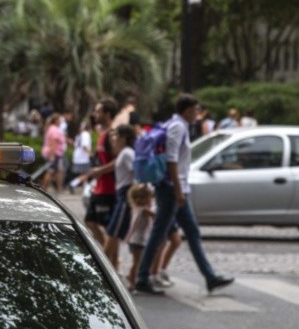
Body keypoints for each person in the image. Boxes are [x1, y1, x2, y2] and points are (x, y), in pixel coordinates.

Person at [135, 93, 234, 295]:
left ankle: (210, 277)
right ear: (187, 110)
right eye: (195, 110)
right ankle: (142, 278)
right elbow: (171, 160)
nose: (198, 113)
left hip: (177, 189)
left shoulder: (179, 125)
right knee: (160, 233)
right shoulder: (178, 127)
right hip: (172, 189)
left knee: (190, 232)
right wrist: (179, 191)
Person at [91, 125, 137, 268]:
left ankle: (103, 268)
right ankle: (107, 267)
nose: (113, 138)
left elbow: (135, 173)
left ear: (124, 138)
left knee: (113, 232)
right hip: (122, 194)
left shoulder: (127, 153)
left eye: (116, 135)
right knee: (113, 232)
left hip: (125, 195)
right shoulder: (124, 153)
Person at [126, 184, 182, 289]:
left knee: (137, 262)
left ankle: (133, 278)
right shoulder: (143, 210)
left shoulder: (137, 208)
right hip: (137, 241)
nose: (151, 200)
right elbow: (157, 216)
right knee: (137, 262)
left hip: (137, 240)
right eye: (149, 198)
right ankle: (132, 283)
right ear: (141, 199)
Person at [80, 97, 119, 247]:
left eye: (98, 111)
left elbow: (118, 160)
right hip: (100, 187)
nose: (95, 114)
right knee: (90, 221)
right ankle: (106, 253)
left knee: (110, 228)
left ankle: (111, 260)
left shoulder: (112, 135)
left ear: (107, 114)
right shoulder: (102, 134)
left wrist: (100, 171)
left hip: (110, 189)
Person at [41, 113, 66, 193]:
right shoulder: (54, 129)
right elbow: (53, 142)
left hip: (57, 153)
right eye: (59, 120)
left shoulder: (51, 128)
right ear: (55, 121)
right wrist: (51, 155)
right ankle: (44, 188)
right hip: (54, 153)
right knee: (50, 171)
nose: (60, 122)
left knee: (59, 170)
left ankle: (59, 188)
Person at [69, 120, 92, 190]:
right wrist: (91, 154)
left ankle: (86, 188)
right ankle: (73, 183)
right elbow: (85, 146)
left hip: (78, 157)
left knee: (83, 174)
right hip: (83, 157)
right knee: (87, 173)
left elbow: (75, 145)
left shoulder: (79, 135)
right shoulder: (86, 134)